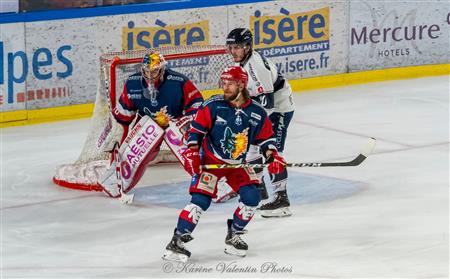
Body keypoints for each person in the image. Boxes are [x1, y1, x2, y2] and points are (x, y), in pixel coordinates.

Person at [162, 66, 287, 262]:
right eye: (224, 83)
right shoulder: (212, 105)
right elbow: (195, 132)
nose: (225, 87)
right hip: (210, 161)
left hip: (237, 164)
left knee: (252, 197)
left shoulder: (256, 112)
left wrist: (272, 156)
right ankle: (177, 241)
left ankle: (234, 234)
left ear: (242, 84)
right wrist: (193, 153)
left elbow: (265, 140)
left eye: (230, 83)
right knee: (200, 202)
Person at [98, 50, 203, 198]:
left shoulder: (178, 82)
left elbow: (198, 106)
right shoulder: (133, 83)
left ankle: (209, 178)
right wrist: (117, 141)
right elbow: (122, 118)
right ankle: (116, 179)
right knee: (147, 131)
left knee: (176, 133)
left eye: (154, 71)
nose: (150, 75)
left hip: (175, 125)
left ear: (162, 69)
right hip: (149, 127)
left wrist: (185, 121)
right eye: (146, 71)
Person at [220, 28, 296, 218]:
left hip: (279, 110)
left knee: (272, 151)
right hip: (264, 111)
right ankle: (258, 189)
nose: (232, 51)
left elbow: (266, 103)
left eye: (236, 47)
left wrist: (248, 120)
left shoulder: (255, 66)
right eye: (230, 47)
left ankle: (281, 199)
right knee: (252, 150)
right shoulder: (243, 63)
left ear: (247, 46)